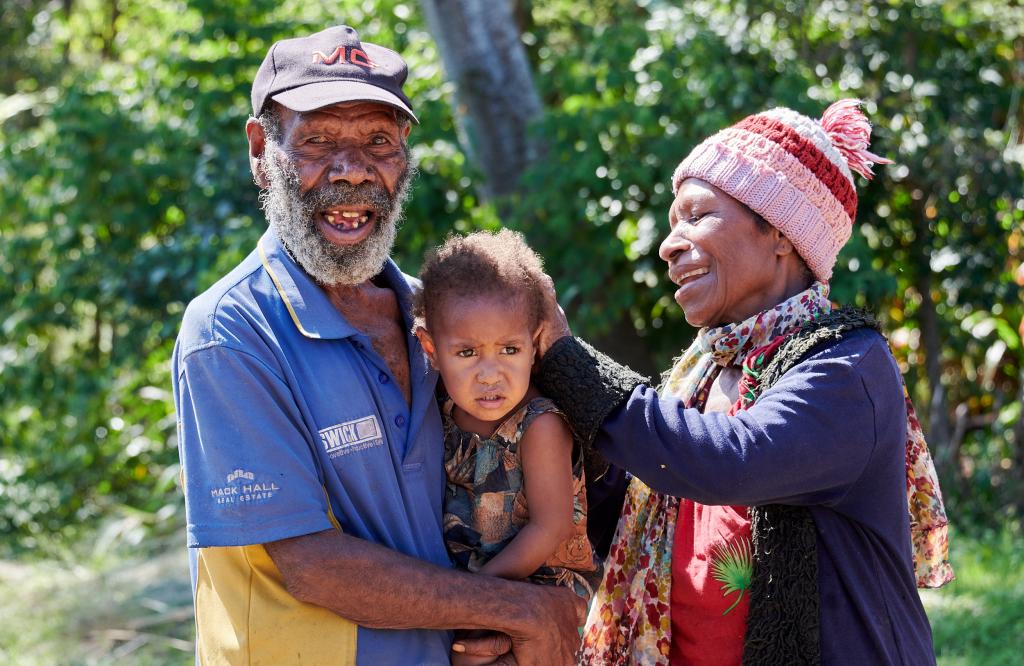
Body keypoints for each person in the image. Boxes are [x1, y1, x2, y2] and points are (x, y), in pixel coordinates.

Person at [172, 25, 582, 665]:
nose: (352, 171)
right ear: (261, 149)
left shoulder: (444, 323)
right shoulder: (231, 332)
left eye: (378, 142)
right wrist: (520, 610)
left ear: (405, 157)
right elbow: (312, 565)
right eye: (317, 141)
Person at [532, 100, 954, 665]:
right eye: (671, 223)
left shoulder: (847, 368)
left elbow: (729, 460)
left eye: (697, 215)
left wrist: (565, 359)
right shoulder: (704, 373)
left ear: (780, 233)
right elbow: (640, 493)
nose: (669, 244)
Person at [413, 230, 601, 602]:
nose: (490, 374)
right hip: (474, 589)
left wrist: (472, 595)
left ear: (534, 345)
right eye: (467, 353)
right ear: (430, 349)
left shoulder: (539, 425)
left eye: (509, 349)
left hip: (544, 590)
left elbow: (551, 527)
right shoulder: (442, 410)